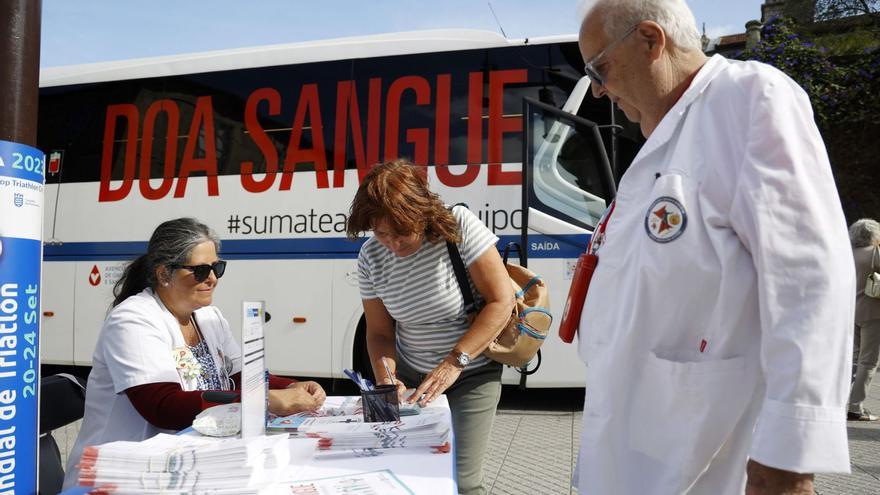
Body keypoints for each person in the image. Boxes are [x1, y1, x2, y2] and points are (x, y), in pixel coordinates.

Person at [573, 1, 854, 493]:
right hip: (645, 450)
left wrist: (787, 459)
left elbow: (808, 277)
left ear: (649, 40)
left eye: (600, 67)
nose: (598, 88)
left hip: (706, 459)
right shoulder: (666, 138)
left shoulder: (748, 98)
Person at [63, 218, 326, 489]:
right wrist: (263, 401)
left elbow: (237, 375)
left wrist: (292, 385)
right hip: (122, 477)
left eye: (216, 268)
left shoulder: (209, 316)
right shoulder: (133, 319)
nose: (212, 278)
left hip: (183, 468)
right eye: (200, 271)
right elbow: (162, 406)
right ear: (164, 274)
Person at [347, 160, 514, 495]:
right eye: (381, 234)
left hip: (471, 373)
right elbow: (379, 333)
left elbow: (502, 301)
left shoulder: (458, 225)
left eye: (402, 232)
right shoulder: (370, 257)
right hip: (411, 378)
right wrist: (386, 380)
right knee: (402, 472)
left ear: (421, 213)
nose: (392, 244)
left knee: (462, 480)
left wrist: (454, 362)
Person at [847, 218, 880, 421]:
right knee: (868, 361)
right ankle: (856, 407)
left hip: (852, 311)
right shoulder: (874, 254)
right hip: (873, 313)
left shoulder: (848, 253)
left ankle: (837, 398)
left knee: (853, 359)